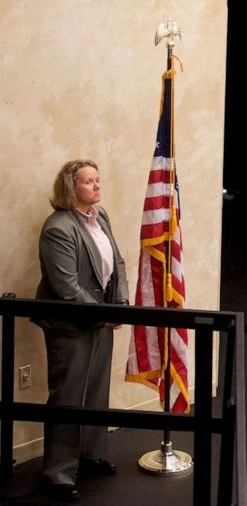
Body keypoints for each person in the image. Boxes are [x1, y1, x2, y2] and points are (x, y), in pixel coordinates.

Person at [34, 159, 128, 502]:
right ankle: (58, 473)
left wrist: (120, 306)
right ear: (71, 188)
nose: (97, 186)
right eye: (89, 182)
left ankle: (90, 455)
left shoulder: (99, 217)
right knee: (69, 397)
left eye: (98, 180)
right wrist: (104, 314)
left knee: (96, 392)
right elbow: (67, 287)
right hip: (71, 325)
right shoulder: (58, 227)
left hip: (100, 317)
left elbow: (116, 263)